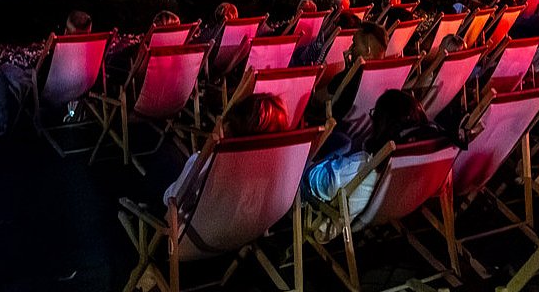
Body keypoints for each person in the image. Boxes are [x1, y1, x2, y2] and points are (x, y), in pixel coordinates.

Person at [304, 90, 444, 234]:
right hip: (388, 209)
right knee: (344, 142)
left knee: (320, 151)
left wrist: (312, 161)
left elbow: (317, 183)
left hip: (319, 193)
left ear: (382, 126)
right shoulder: (409, 167)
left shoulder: (361, 167)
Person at [162, 93, 290, 207]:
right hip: (244, 228)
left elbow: (172, 200)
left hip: (198, 229)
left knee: (167, 157)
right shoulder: (275, 176)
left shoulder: (205, 165)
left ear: (229, 127)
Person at [0, 10, 93, 135]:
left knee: (3, 70)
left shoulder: (59, 54)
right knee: (25, 70)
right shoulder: (91, 54)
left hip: (46, 93)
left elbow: (39, 77)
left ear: (66, 31)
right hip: (78, 90)